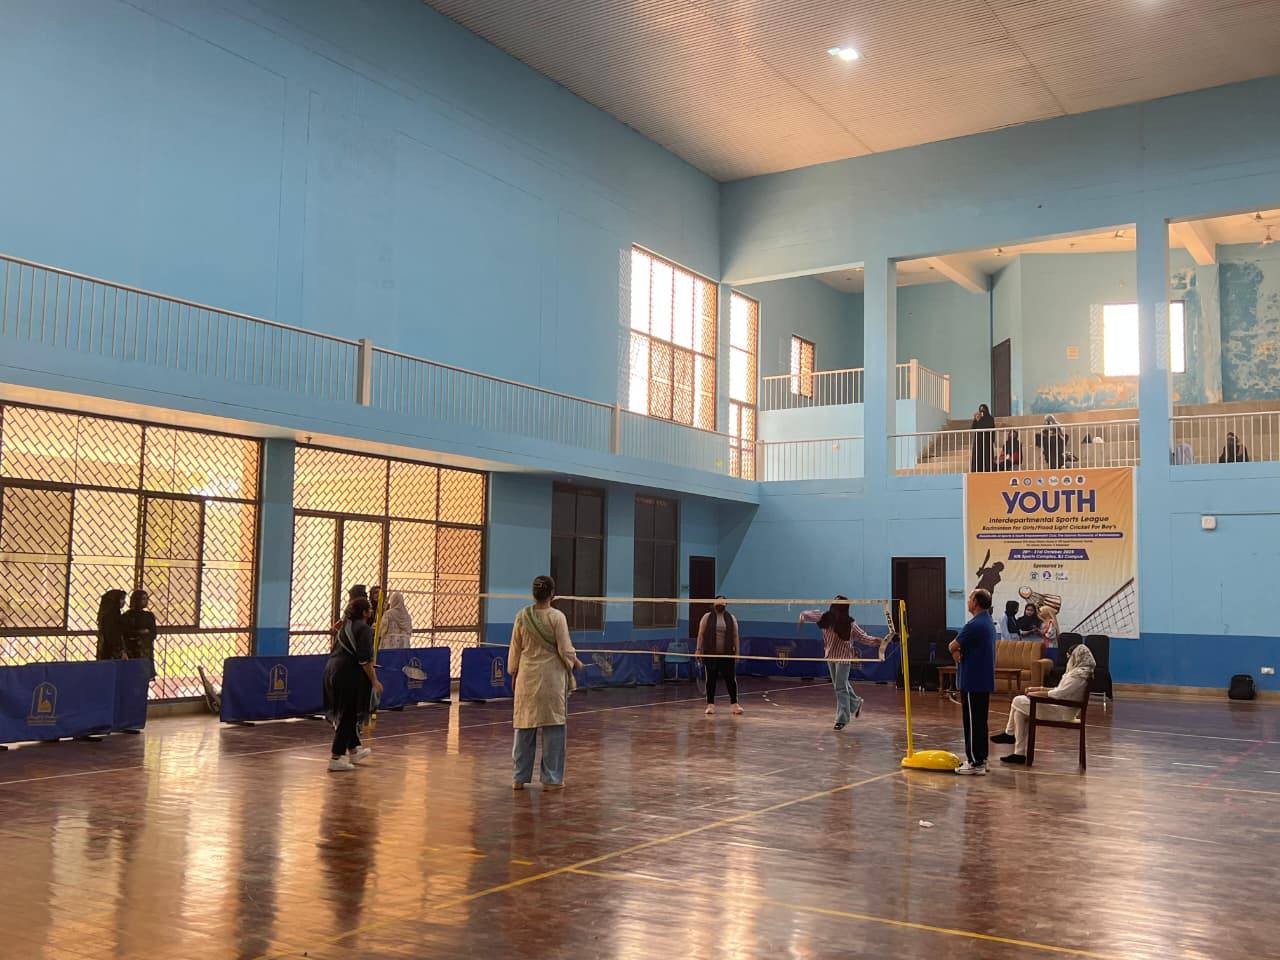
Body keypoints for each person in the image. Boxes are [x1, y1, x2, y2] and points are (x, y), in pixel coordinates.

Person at [509, 575, 583, 791]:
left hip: (527, 679)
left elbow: (515, 649)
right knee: (553, 730)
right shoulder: (557, 617)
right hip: (551, 680)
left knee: (524, 728)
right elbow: (565, 649)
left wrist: (513, 673)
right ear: (552, 594)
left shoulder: (522, 616)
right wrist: (576, 662)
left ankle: (519, 778)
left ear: (534, 594)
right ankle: (551, 780)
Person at [992, 643, 1095, 764]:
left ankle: (1009, 734)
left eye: (1069, 657)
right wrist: (1038, 688)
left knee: (1017, 700)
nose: (1068, 661)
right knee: (1020, 713)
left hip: (1062, 713)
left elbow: (1057, 694)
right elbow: (1059, 690)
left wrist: (1035, 694)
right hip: (1062, 708)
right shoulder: (1081, 674)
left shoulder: (1078, 677)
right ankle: (1019, 754)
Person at [800, 596, 877, 730]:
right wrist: (803, 615)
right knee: (840, 684)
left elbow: (863, 637)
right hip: (830, 656)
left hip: (844, 658)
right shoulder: (825, 618)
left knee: (840, 687)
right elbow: (809, 614)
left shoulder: (850, 624)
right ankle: (856, 702)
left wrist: (877, 641)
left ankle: (842, 719)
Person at [323, 596, 381, 772]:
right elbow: (364, 659)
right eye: (369, 609)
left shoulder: (345, 626)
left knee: (349, 713)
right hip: (347, 675)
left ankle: (354, 750)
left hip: (331, 671)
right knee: (348, 715)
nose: (371, 611)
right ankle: (336, 757)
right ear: (364, 613)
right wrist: (375, 681)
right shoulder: (364, 629)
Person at [948, 589, 996, 775]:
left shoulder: (974, 624)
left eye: (970, 598)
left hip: (972, 680)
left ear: (975, 602)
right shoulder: (987, 622)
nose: (968, 601)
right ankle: (982, 758)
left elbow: (953, 645)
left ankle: (975, 763)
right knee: (980, 721)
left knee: (972, 722)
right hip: (983, 680)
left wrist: (955, 651)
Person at [696, 596, 742, 716]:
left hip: (727, 655)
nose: (720, 604)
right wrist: (698, 650)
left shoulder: (731, 618)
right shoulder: (707, 617)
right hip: (711, 654)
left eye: (723, 602)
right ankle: (710, 705)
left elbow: (735, 636)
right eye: (718, 602)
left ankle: (734, 704)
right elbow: (701, 634)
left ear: (726, 604)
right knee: (711, 680)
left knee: (731, 680)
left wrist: (737, 653)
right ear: (714, 604)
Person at [119, 590, 157, 680]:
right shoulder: (126, 616)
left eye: (147, 599)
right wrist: (141, 632)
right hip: (131, 652)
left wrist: (141, 634)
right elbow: (125, 633)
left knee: (144, 680)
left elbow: (153, 633)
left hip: (146, 652)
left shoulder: (149, 616)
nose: (146, 601)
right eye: (143, 599)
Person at [95, 590, 127, 660]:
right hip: (112, 652)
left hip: (105, 650)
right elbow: (113, 635)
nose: (124, 602)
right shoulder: (112, 616)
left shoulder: (106, 615)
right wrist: (120, 651)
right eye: (122, 599)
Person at [969, 404, 996, 472]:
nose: (982, 411)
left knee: (987, 457)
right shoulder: (978, 418)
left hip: (987, 441)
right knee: (978, 457)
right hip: (978, 441)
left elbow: (989, 427)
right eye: (980, 410)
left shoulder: (990, 418)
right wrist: (976, 420)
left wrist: (993, 440)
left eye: (983, 410)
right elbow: (973, 428)